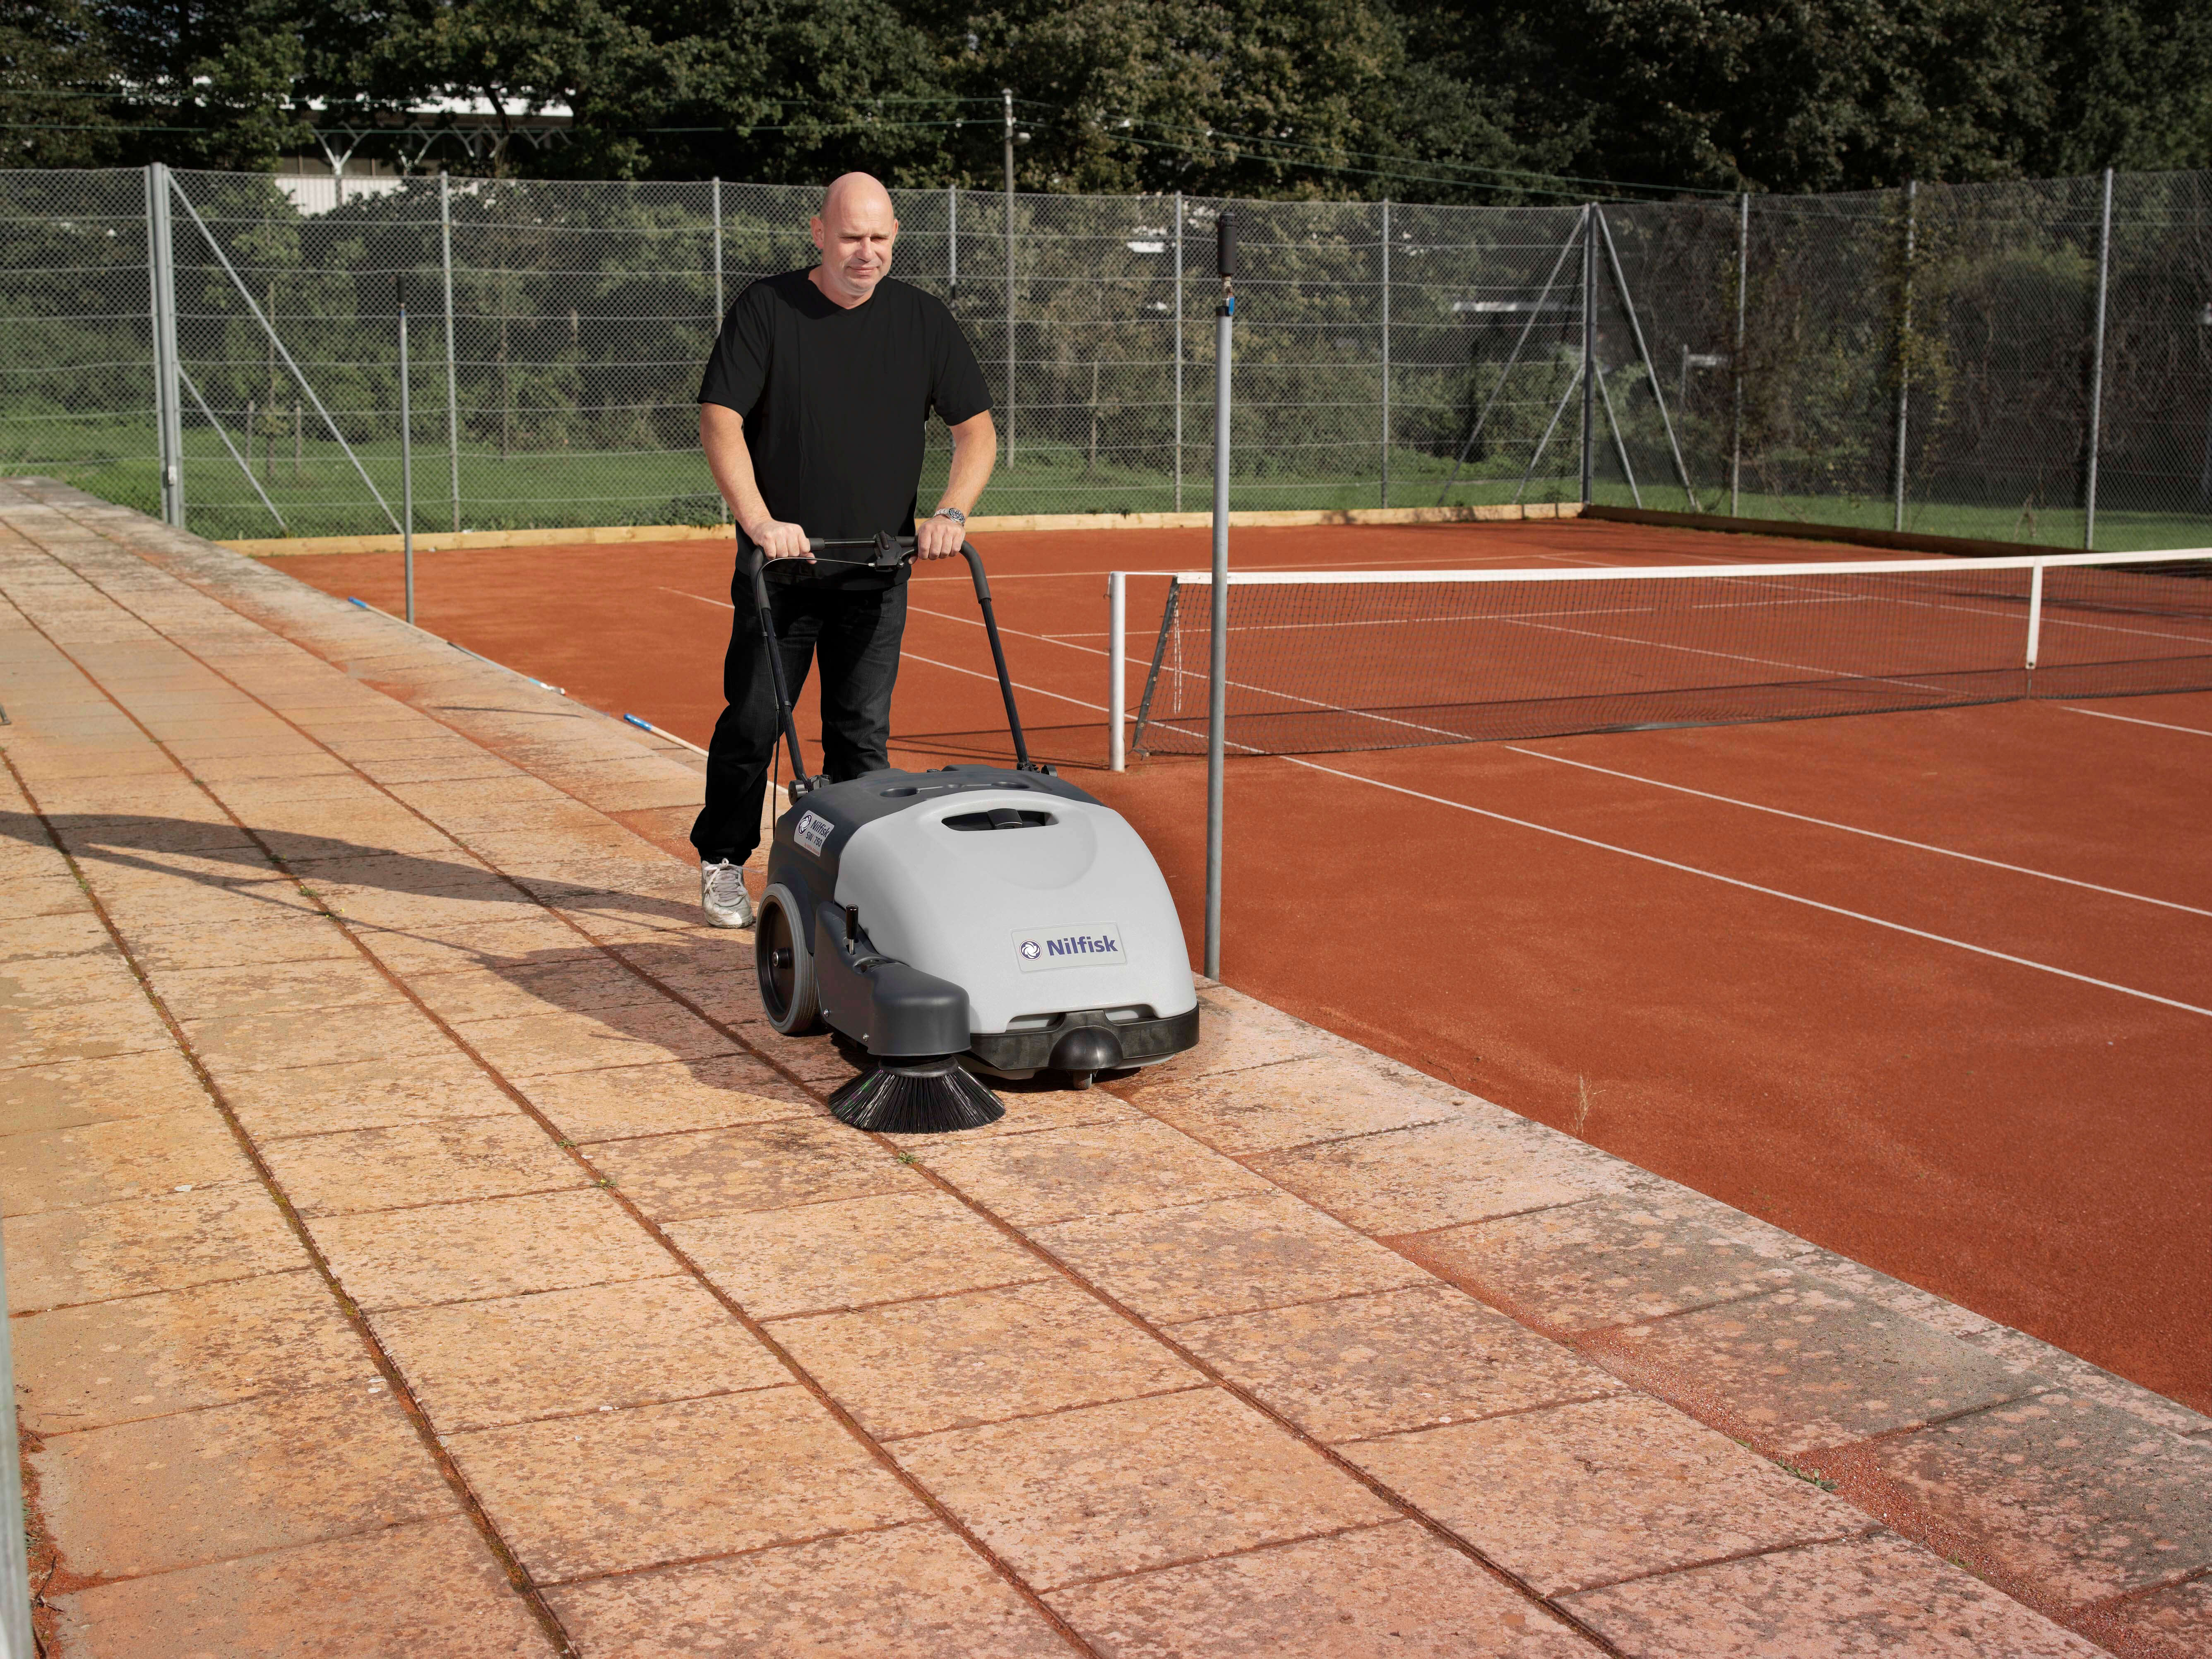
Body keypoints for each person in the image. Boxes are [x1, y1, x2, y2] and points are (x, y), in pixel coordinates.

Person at [691, 172, 997, 928]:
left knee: (862, 740)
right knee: (755, 722)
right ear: (819, 234)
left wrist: (951, 512)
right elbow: (721, 419)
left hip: (878, 571)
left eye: (880, 238)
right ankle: (724, 858)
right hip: (783, 571)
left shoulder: (923, 320)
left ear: (896, 238)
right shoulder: (768, 309)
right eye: (853, 237)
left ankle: (859, 878)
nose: (867, 252)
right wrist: (761, 521)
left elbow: (977, 432)